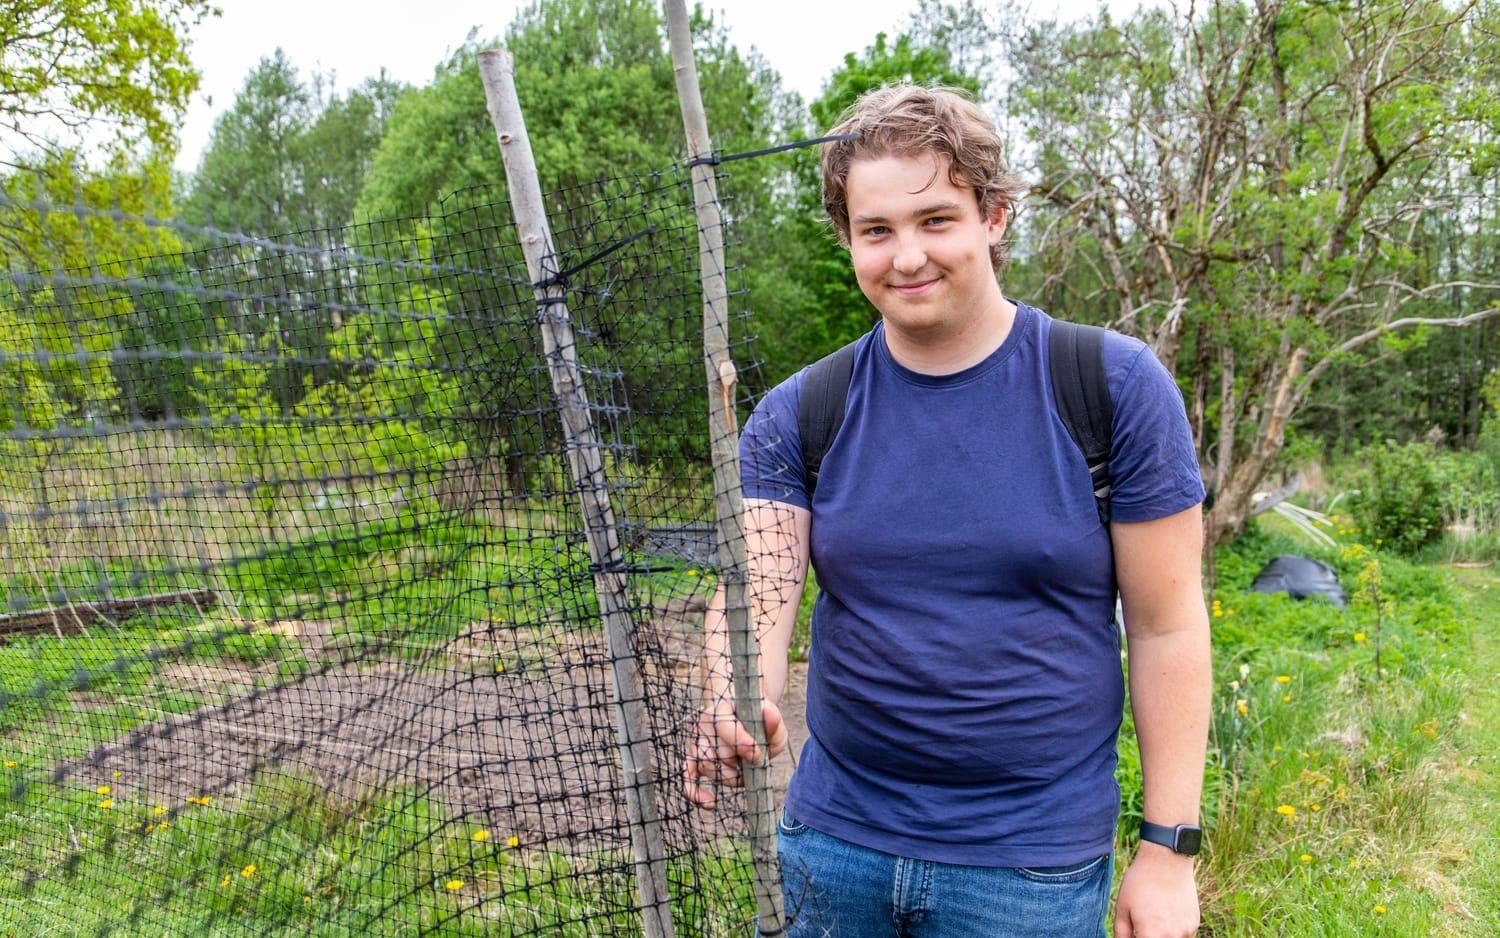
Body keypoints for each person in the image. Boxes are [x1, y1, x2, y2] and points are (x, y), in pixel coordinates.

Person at [685, 84, 1210, 938]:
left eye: (936, 220)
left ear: (995, 216)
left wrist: (1167, 851)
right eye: (876, 231)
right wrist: (729, 696)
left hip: (1027, 870)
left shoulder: (1110, 388)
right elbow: (757, 591)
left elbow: (1167, 626)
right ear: (848, 239)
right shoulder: (800, 410)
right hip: (832, 848)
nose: (906, 257)